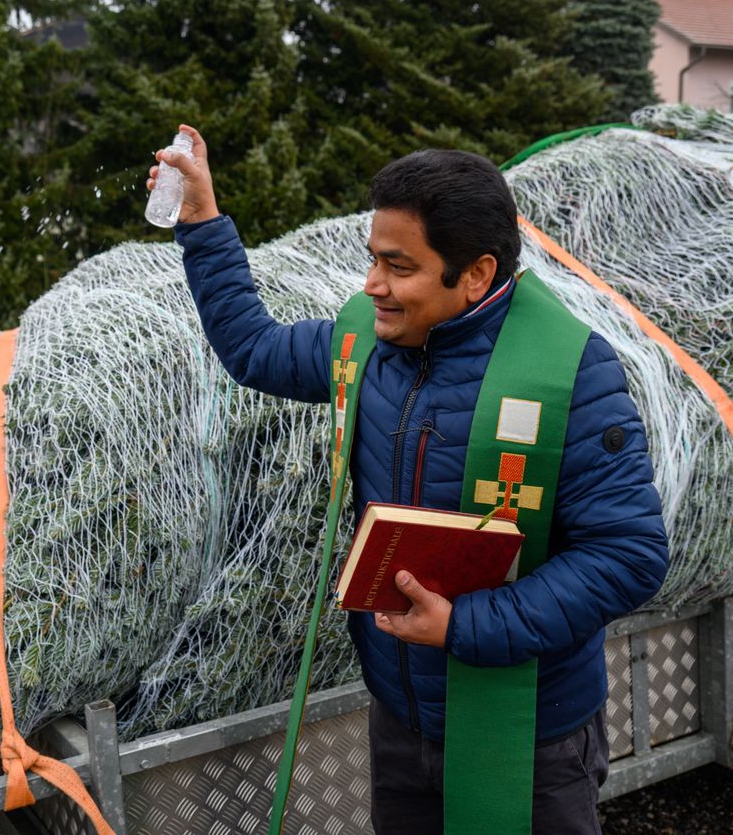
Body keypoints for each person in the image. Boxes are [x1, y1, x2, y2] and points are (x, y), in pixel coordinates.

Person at [146, 125, 669, 834]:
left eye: (399, 266)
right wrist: (202, 222)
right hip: (402, 719)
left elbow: (628, 556)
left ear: (476, 275)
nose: (372, 286)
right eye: (373, 260)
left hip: (529, 734)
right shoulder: (367, 343)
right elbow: (255, 349)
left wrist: (466, 626)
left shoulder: (571, 376)